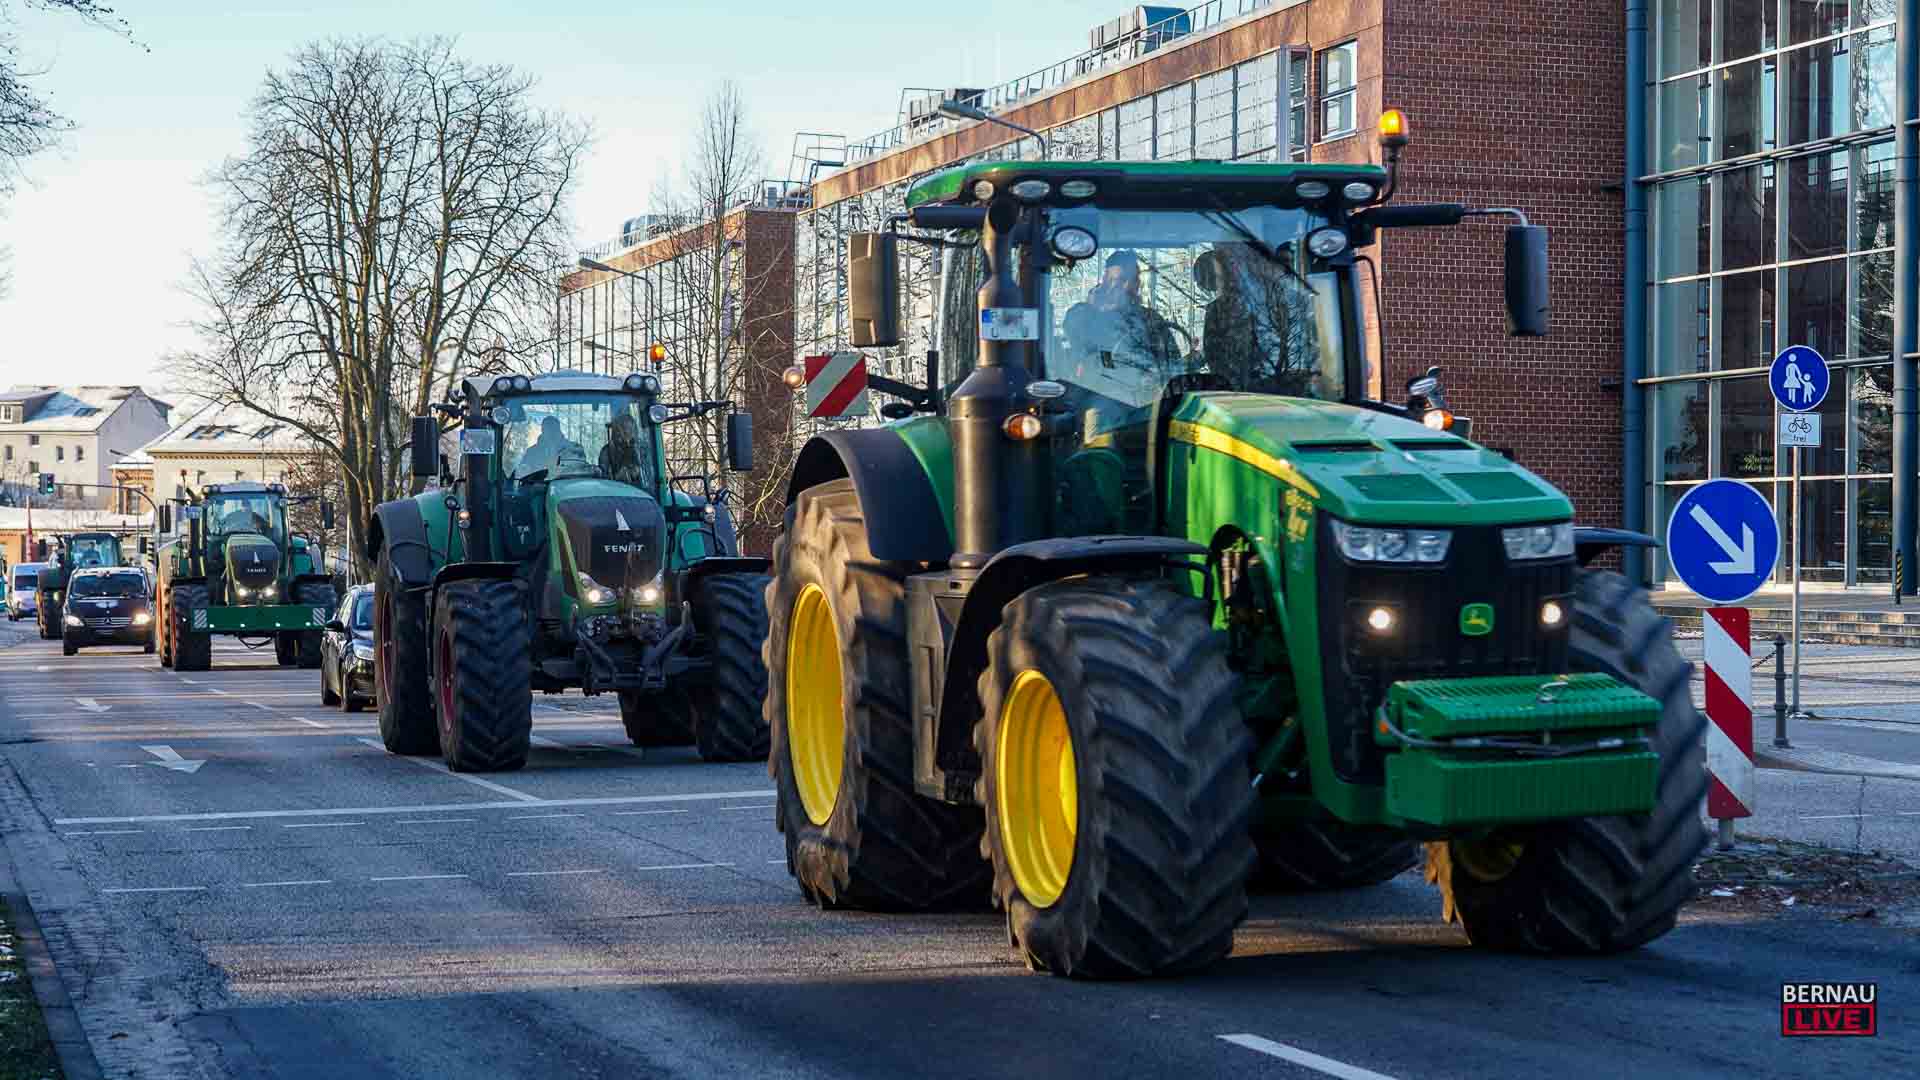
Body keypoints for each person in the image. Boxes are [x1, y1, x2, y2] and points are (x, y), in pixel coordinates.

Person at [597, 414, 651, 488]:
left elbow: (650, 473)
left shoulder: (641, 450)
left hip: (641, 491)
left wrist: (638, 472)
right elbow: (603, 479)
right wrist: (616, 477)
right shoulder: (607, 451)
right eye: (622, 429)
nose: (624, 432)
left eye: (628, 429)